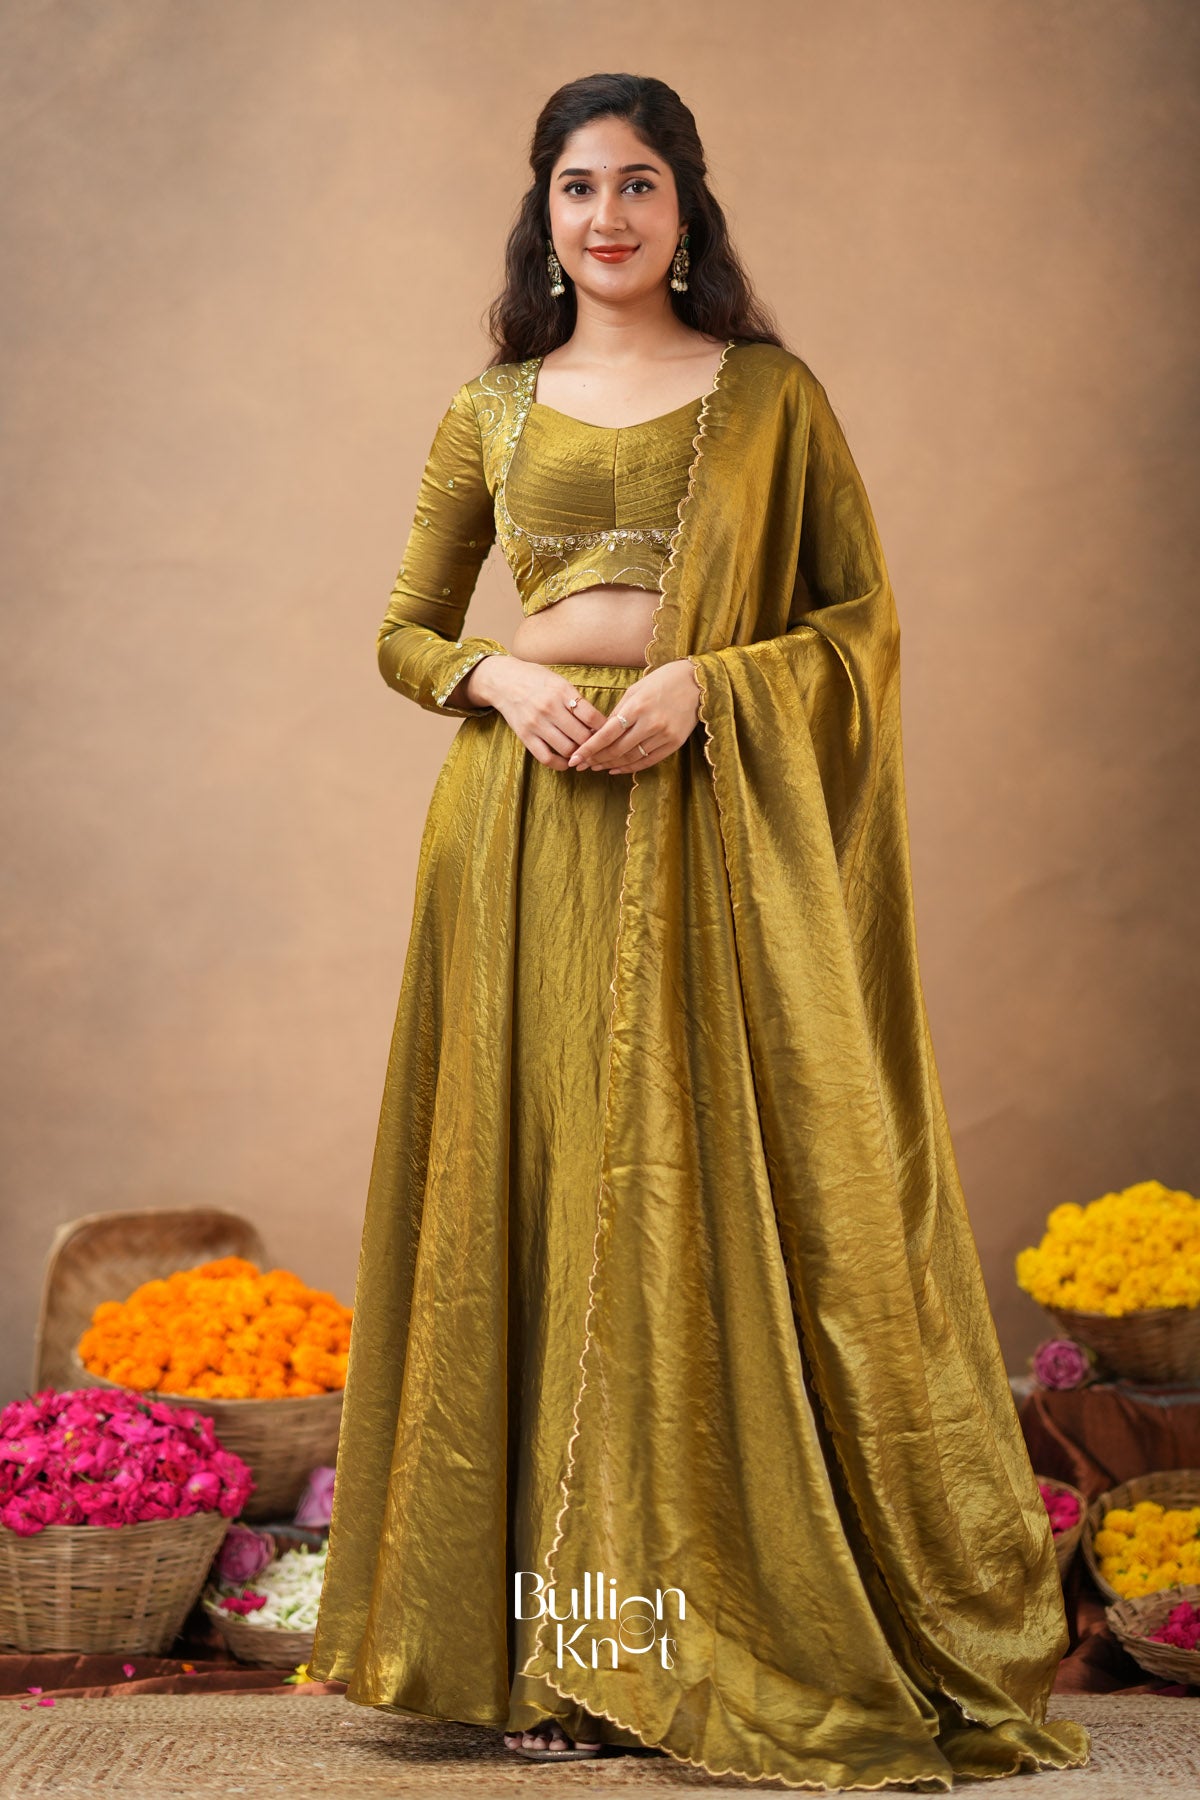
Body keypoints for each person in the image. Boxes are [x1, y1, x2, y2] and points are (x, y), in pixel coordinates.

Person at [308, 72, 1093, 1789]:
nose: (606, 217)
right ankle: (536, 1650)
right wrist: (503, 676)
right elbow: (401, 629)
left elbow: (856, 625)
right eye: (577, 187)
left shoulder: (772, 401)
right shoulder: (490, 409)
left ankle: (671, 1632)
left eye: (639, 185)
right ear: (543, 212)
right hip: (520, 834)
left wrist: (709, 685)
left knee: (671, 1204)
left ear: (688, 210)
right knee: (533, 1196)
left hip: (706, 825)